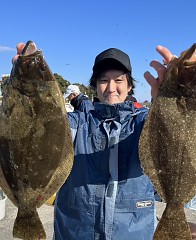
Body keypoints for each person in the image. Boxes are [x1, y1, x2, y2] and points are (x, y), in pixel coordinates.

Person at [13, 44, 172, 240]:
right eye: (104, 80)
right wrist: (26, 92)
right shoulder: (75, 124)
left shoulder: (144, 124)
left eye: (119, 80)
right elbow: (39, 127)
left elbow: (174, 137)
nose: (111, 88)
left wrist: (170, 103)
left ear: (130, 85)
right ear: (95, 86)